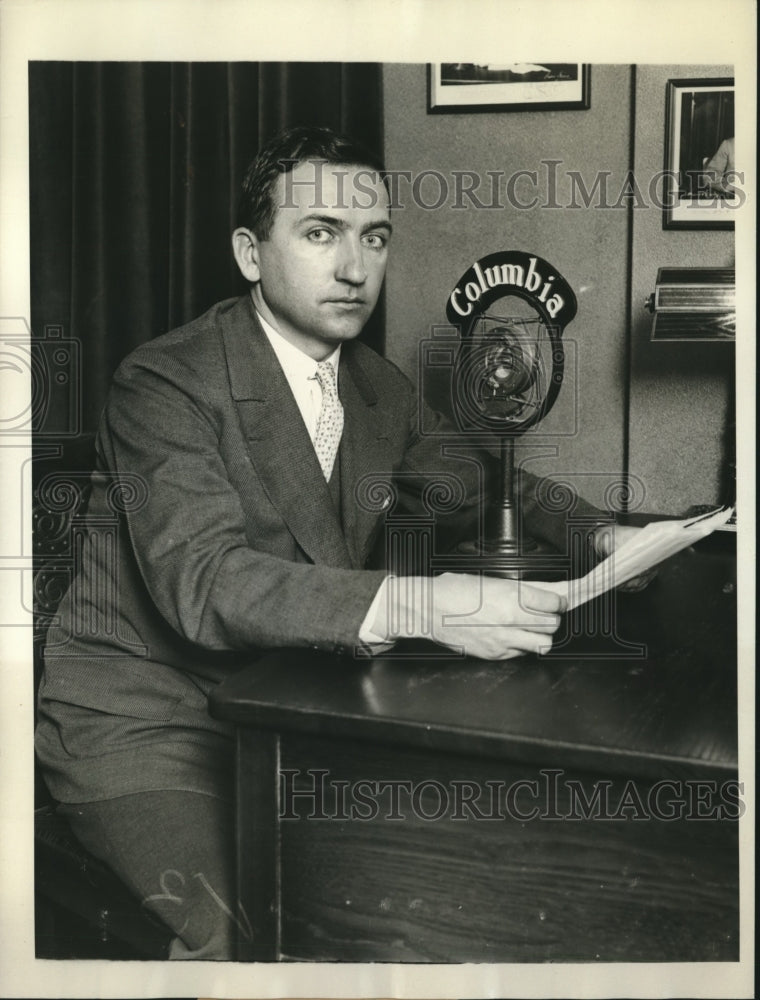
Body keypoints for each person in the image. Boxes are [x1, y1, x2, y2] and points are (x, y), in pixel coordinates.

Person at [35, 126, 631, 960]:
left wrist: (608, 533)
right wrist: (428, 605)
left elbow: (491, 485)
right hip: (147, 725)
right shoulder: (164, 381)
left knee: (421, 894)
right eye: (320, 233)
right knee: (259, 932)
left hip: (288, 706)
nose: (355, 268)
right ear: (250, 252)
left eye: (373, 237)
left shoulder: (376, 386)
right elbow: (205, 582)